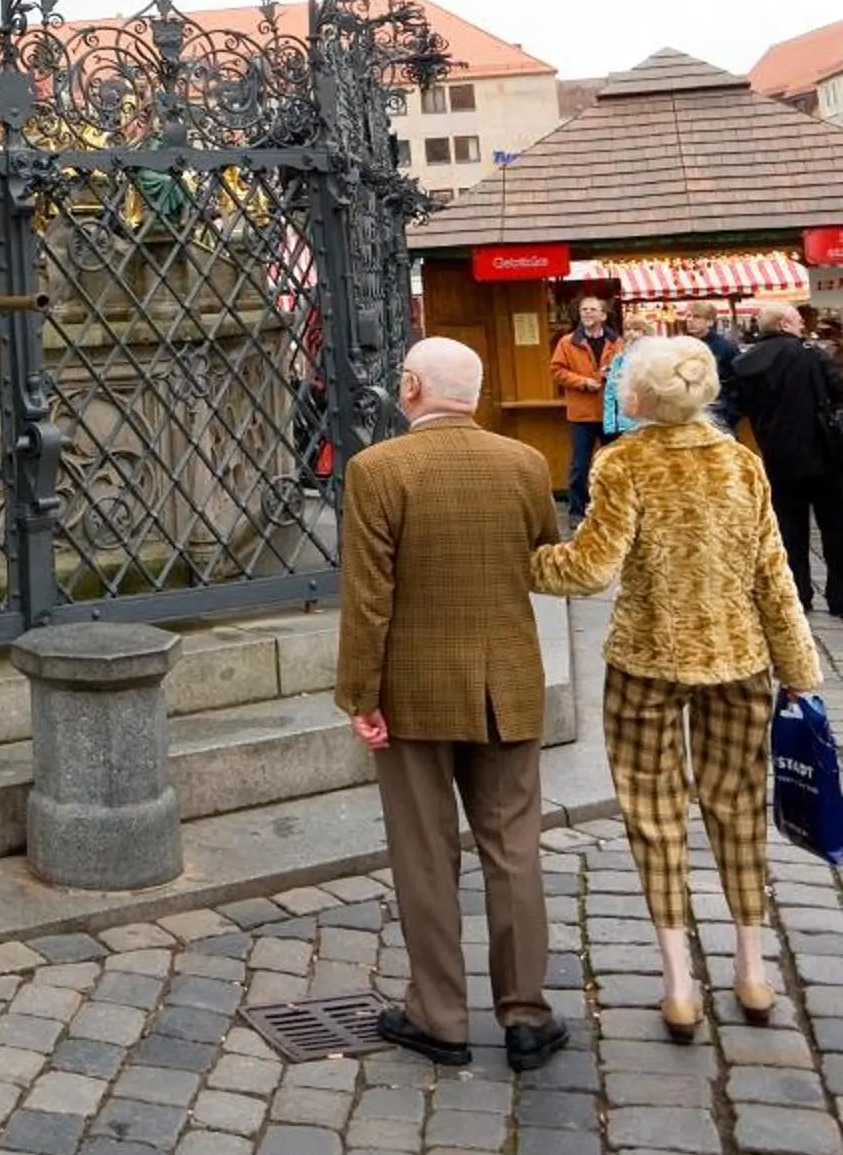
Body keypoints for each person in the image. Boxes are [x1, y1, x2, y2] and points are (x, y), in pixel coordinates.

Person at [532, 333, 818, 1032]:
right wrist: (801, 675)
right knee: (739, 809)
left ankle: (679, 984)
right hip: (738, 659)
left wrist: (531, 561)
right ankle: (752, 971)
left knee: (655, 819)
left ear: (635, 396)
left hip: (647, 662)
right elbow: (774, 580)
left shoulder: (621, 463)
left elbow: (591, 571)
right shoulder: (741, 465)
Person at [335, 335, 568, 1071]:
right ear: (474, 391)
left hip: (412, 691)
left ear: (408, 387)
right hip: (507, 685)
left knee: (425, 853)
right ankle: (527, 1013)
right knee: (514, 849)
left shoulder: (376, 470)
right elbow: (540, 554)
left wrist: (359, 695)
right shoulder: (525, 463)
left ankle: (439, 1015)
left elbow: (369, 598)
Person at [733, 301, 843, 617]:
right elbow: (838, 388)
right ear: (783, 325)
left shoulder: (746, 363)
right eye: (796, 322)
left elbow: (737, 405)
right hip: (823, 455)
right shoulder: (809, 353)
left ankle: (797, 594)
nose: (801, 326)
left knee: (789, 530)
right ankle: (838, 597)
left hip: (778, 455)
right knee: (835, 528)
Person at [550, 294, 621, 520]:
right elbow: (557, 371)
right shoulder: (567, 342)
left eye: (592, 309)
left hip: (611, 414)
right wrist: (582, 382)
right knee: (580, 467)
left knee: (613, 465)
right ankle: (577, 512)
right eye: (584, 310)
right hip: (581, 414)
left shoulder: (617, 341)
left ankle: (613, 511)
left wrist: (614, 375)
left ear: (603, 314)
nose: (587, 313)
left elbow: (626, 368)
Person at [688, 300, 743, 433]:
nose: (690, 320)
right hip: (693, 411)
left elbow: (739, 382)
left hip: (719, 412)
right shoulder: (686, 345)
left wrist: (728, 411)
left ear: (710, 322)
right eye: (688, 316)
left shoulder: (726, 347)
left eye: (696, 316)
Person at [602, 314, 656, 439]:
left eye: (636, 329)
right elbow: (610, 392)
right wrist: (610, 424)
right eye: (627, 329)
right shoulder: (619, 359)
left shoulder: (654, 357)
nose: (631, 333)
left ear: (645, 332)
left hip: (649, 422)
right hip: (624, 424)